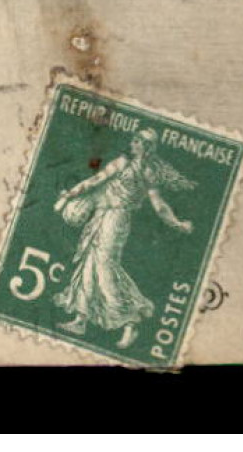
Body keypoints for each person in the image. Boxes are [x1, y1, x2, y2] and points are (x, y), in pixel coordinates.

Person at [52, 128, 194, 349]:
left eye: (139, 141)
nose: (133, 144)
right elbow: (95, 180)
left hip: (117, 220)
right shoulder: (121, 162)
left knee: (106, 268)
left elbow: (159, 206)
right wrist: (71, 194)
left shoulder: (148, 173)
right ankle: (81, 319)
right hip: (101, 215)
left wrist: (177, 224)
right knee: (88, 262)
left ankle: (131, 322)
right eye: (134, 140)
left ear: (148, 147)